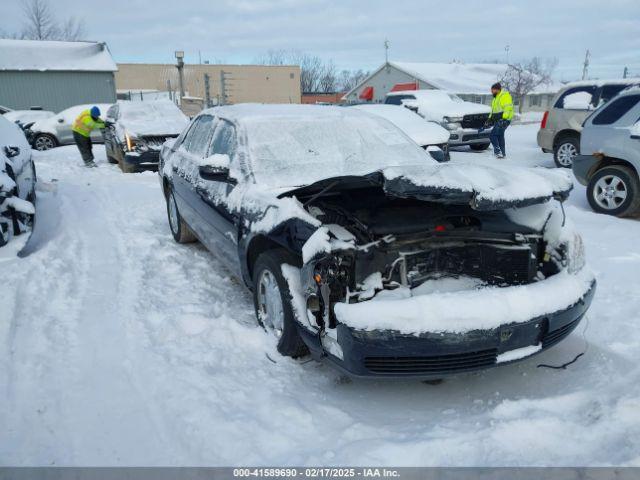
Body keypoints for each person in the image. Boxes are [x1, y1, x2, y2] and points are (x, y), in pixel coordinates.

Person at [487, 82, 514, 159]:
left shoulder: (504, 96)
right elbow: (493, 111)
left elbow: (508, 108)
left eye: (493, 90)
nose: (492, 92)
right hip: (499, 120)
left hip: (503, 120)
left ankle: (498, 152)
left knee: (492, 135)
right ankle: (503, 153)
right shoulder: (496, 98)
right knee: (500, 136)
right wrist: (489, 119)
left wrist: (504, 119)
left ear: (497, 90)